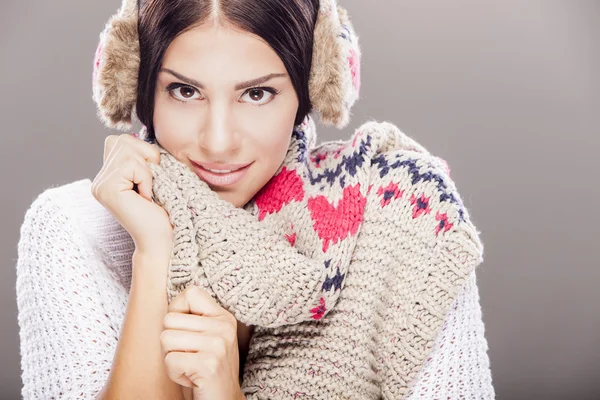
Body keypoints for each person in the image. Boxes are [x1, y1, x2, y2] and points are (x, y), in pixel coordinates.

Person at [16, 0, 495, 398]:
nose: (219, 142)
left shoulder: (404, 213)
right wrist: (156, 255)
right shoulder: (72, 229)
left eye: (258, 94)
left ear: (310, 91)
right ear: (137, 88)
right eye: (184, 91)